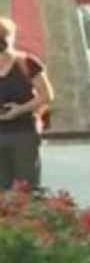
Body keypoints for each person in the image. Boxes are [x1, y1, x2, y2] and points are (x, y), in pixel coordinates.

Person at [0, 17, 50, 190]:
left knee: (27, 190)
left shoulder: (27, 63)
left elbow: (46, 95)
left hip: (24, 133)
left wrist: (19, 110)